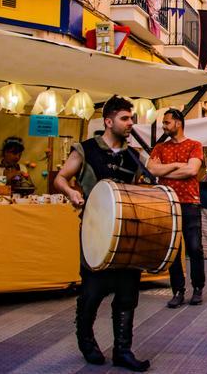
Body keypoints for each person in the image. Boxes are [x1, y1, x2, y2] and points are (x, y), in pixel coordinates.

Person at [54, 96, 150, 372]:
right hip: (96, 231)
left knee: (128, 291)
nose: (130, 123)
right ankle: (87, 342)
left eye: (131, 118)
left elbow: (146, 182)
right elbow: (60, 178)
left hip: (126, 233)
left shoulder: (134, 155)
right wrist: (71, 191)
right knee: (93, 291)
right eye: (125, 118)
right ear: (108, 122)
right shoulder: (85, 150)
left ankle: (123, 350)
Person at [147, 108, 205, 309]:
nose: (164, 126)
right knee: (173, 249)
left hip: (189, 201)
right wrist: (178, 165)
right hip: (167, 202)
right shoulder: (160, 147)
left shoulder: (195, 145)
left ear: (178, 123)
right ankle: (178, 290)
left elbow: (192, 170)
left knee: (194, 247)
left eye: (167, 122)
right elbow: (151, 169)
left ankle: (198, 288)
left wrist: (166, 170)